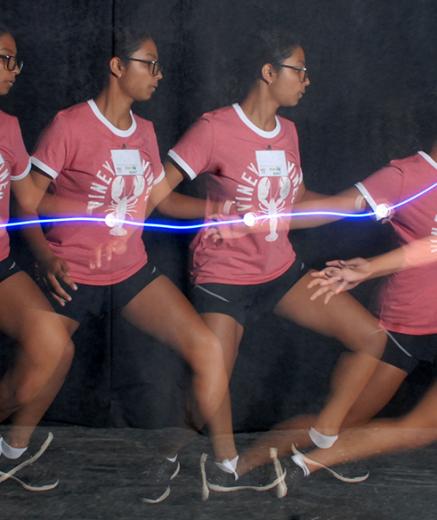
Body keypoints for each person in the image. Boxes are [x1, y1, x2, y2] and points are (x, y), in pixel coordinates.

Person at [146, 29, 391, 499]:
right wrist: (215, 213)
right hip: (223, 278)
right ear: (269, 72)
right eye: (299, 71)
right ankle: (219, 464)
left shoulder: (289, 132)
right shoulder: (215, 128)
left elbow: (293, 201)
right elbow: (158, 195)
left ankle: (321, 438)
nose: (306, 81)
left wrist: (347, 204)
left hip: (279, 272)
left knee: (370, 337)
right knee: (208, 392)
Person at [22, 27, 233, 504]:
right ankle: (12, 453)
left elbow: (157, 200)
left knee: (205, 348)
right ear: (117, 66)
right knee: (39, 372)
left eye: (160, 67)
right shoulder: (70, 124)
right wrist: (46, 256)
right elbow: (26, 199)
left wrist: (215, 213)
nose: (158, 75)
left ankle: (203, 460)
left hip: (131, 271)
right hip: (73, 273)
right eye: (148, 64)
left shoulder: (146, 132)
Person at [235, 108, 437, 486]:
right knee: (337, 421)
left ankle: (308, 466)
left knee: (423, 428)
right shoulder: (405, 175)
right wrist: (259, 219)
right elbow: (339, 206)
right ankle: (239, 468)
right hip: (405, 324)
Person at [0, 25, 73, 492]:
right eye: (4, 58)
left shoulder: (7, 127)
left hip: (2, 267)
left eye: (15, 61)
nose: (13, 70)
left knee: (55, 348)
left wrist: (95, 211)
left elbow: (29, 199)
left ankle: (9, 454)